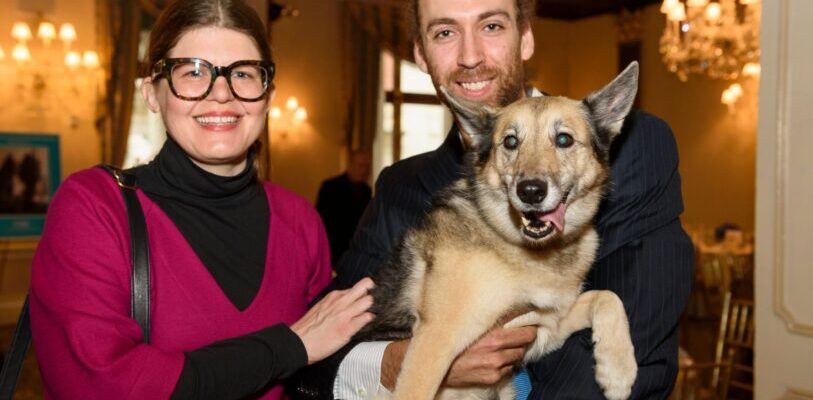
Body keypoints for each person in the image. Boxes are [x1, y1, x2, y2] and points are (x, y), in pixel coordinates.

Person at [287, 0, 694, 398]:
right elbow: (318, 353)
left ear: (526, 38)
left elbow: (639, 348)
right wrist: (401, 359)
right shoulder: (399, 186)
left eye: (492, 26)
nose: (470, 56)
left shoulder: (636, 147)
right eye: (445, 32)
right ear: (421, 54)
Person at [29, 0, 374, 398]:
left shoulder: (299, 221)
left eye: (243, 73)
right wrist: (289, 347)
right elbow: (103, 386)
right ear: (152, 93)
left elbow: (324, 375)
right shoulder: (94, 208)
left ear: (268, 94)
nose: (222, 93)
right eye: (193, 72)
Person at [315, 150, 373, 264]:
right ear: (350, 165)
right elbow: (320, 220)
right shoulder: (330, 186)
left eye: (367, 166)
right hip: (334, 248)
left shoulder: (367, 190)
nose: (364, 170)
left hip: (357, 248)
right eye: (361, 165)